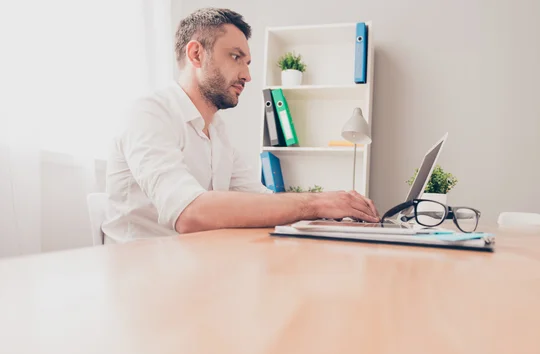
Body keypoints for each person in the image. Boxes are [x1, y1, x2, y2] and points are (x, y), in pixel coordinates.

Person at [102, 7, 379, 243]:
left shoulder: (219, 133)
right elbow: (189, 213)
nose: (247, 75)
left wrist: (328, 218)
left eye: (247, 62)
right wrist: (317, 203)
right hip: (140, 279)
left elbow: (263, 202)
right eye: (236, 57)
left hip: (194, 268)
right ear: (196, 54)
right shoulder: (149, 114)